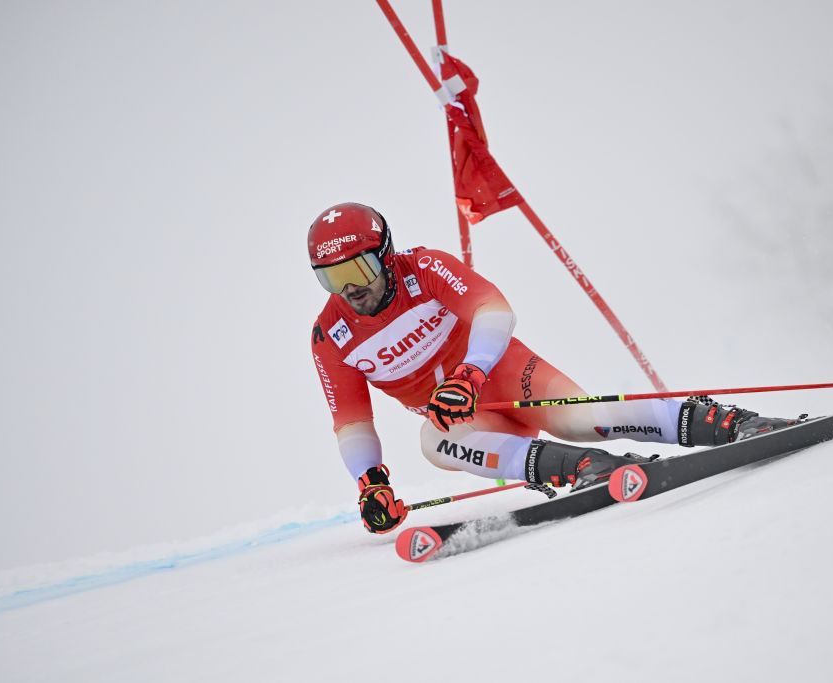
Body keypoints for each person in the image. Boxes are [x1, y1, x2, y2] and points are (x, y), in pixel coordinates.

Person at [309, 202, 799, 534]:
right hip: (460, 416)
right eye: (332, 277)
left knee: (583, 420)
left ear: (386, 256)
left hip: (501, 375)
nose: (350, 288)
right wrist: (371, 483)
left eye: (359, 270)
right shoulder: (330, 335)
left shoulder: (425, 268)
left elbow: (494, 310)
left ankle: (731, 425)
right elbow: (351, 421)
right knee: (433, 443)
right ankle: (581, 470)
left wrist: (471, 372)